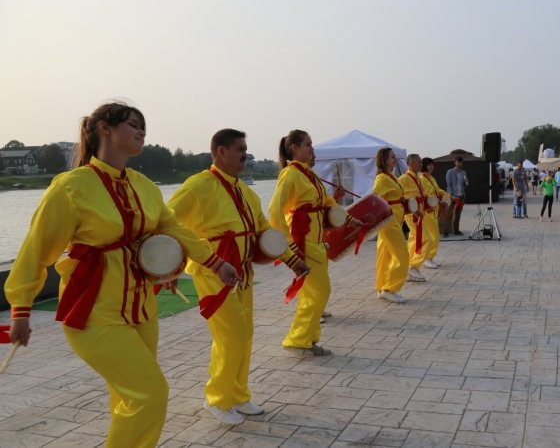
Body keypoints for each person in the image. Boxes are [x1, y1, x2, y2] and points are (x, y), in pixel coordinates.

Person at [4, 103, 239, 446]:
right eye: (133, 124)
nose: (142, 132)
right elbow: (37, 248)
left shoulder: (145, 186)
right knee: (150, 394)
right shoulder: (71, 186)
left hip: (142, 307)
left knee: (128, 397)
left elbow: (176, 230)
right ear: (105, 128)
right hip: (94, 310)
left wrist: (215, 262)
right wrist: (21, 308)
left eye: (144, 126)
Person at [167, 129, 307, 424]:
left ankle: (238, 395)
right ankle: (217, 398)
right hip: (213, 272)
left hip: (242, 272)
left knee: (245, 335)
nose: (246, 153)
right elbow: (167, 222)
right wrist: (169, 266)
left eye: (246, 148)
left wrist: (292, 259)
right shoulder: (198, 186)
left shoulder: (245, 191)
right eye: (240, 148)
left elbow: (264, 231)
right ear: (221, 152)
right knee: (232, 336)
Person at [269, 130, 361, 357]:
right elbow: (274, 210)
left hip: (316, 238)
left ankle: (304, 339)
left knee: (313, 292)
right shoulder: (290, 175)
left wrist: (349, 219)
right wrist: (288, 246)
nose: (312, 149)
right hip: (303, 240)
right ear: (294, 149)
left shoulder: (308, 174)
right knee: (320, 290)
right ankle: (299, 339)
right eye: (308, 145)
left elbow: (327, 202)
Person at [372, 148, 410, 302]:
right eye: (392, 157)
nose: (395, 159)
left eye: (395, 157)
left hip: (395, 220)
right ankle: (390, 288)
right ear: (384, 160)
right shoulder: (382, 178)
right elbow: (374, 198)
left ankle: (382, 287)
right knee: (402, 255)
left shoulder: (391, 177)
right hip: (388, 222)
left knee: (385, 256)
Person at [400, 154, 429, 282]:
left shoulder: (418, 178)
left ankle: (410, 267)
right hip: (412, 214)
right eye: (419, 162)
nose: (421, 164)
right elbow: (399, 196)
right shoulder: (403, 179)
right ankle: (414, 267)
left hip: (420, 212)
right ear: (411, 164)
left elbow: (423, 193)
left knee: (414, 240)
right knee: (425, 238)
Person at [420, 157, 450, 268]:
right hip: (427, 211)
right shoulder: (421, 178)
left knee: (435, 236)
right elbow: (427, 194)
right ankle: (426, 258)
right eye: (429, 165)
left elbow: (438, 191)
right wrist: (439, 201)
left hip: (434, 210)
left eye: (432, 164)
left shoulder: (431, 178)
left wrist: (448, 195)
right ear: (424, 166)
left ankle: (430, 257)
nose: (431, 167)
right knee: (432, 236)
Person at [445, 156, 468, 236]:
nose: (459, 164)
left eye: (461, 162)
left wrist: (466, 182)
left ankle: (456, 230)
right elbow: (448, 185)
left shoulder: (464, 173)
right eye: (458, 162)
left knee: (458, 214)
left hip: (461, 196)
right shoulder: (450, 172)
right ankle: (446, 232)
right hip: (453, 196)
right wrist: (451, 195)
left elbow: (464, 185)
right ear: (455, 163)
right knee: (449, 214)